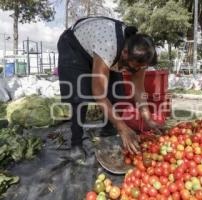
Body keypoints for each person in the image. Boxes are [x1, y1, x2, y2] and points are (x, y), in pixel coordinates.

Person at [57, 16, 163, 159]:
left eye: (141, 67)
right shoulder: (108, 46)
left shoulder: (140, 56)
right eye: (135, 67)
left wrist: (149, 120)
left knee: (117, 92)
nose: (137, 70)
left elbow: (139, 90)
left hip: (100, 50)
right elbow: (99, 94)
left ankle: (107, 130)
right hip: (73, 46)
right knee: (79, 96)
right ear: (125, 53)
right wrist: (122, 127)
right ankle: (76, 143)